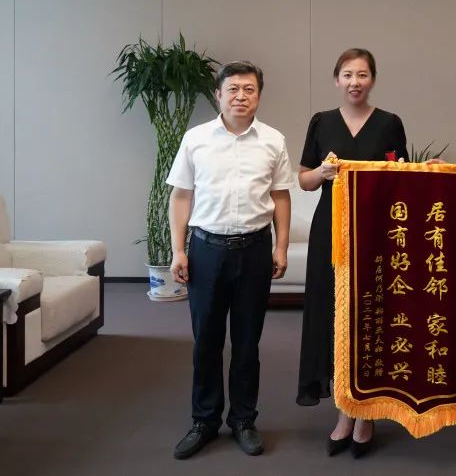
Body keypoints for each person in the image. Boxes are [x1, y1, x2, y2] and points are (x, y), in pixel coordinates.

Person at [167, 61, 293, 460]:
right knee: (206, 340)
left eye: (249, 89)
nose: (241, 96)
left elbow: (281, 197)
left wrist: (281, 247)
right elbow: (181, 196)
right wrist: (179, 249)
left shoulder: (273, 140)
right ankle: (204, 421)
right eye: (233, 89)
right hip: (206, 251)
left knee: (247, 342)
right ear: (218, 94)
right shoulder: (196, 139)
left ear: (259, 96)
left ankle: (243, 419)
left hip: (254, 251)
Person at [296, 48, 407, 459]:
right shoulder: (321, 122)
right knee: (333, 315)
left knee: (370, 315)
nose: (354, 82)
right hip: (331, 228)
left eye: (362, 74)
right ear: (336, 79)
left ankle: (366, 413)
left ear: (372, 79)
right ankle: (344, 411)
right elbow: (304, 180)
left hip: (376, 230)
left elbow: (401, 178)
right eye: (347, 74)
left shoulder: (390, 123)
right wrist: (322, 172)